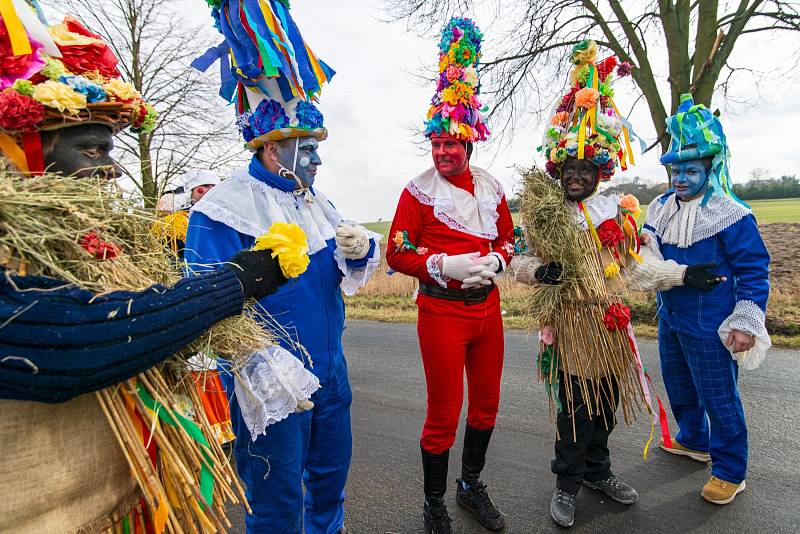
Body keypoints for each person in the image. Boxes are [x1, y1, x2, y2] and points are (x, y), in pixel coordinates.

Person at [0, 5, 288, 532]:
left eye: (112, 151)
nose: (111, 171)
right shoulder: (12, 243)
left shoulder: (94, 243)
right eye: (91, 149)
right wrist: (237, 283)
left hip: (124, 507)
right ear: (20, 151)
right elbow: (77, 341)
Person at [185, 2, 381, 532]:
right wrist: (254, 365)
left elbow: (339, 276)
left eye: (317, 147)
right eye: (306, 148)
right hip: (272, 382)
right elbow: (203, 300)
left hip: (330, 375)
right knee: (275, 506)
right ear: (271, 148)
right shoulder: (222, 208)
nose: (317, 160)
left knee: (329, 486)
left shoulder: (317, 201)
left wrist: (360, 253)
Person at [509, 39, 689, 528]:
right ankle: (566, 484)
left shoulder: (614, 211)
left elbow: (632, 268)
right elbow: (516, 263)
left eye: (585, 170)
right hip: (570, 326)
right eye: (570, 170)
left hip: (610, 326)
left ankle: (598, 472)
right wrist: (538, 272)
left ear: (597, 173)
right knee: (575, 411)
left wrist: (681, 274)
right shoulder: (546, 216)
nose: (577, 177)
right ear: (560, 171)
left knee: (605, 407)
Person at [385, 17, 514, 534]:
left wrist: (500, 261)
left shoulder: (491, 186)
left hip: (489, 312)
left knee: (486, 406)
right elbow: (396, 252)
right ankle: (433, 502)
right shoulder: (417, 191)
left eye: (452, 144)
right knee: (444, 412)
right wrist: (440, 266)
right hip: (440, 312)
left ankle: (470, 486)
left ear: (470, 145)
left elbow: (511, 238)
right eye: (436, 143)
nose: (443, 152)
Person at [629, 94, 771, 505]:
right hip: (670, 314)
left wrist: (747, 322)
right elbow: (647, 254)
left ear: (711, 168)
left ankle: (730, 469)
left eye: (691, 170)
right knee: (678, 384)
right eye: (676, 169)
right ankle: (694, 439)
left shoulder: (731, 213)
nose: (682, 178)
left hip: (712, 323)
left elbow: (753, 270)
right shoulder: (658, 207)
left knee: (718, 395)